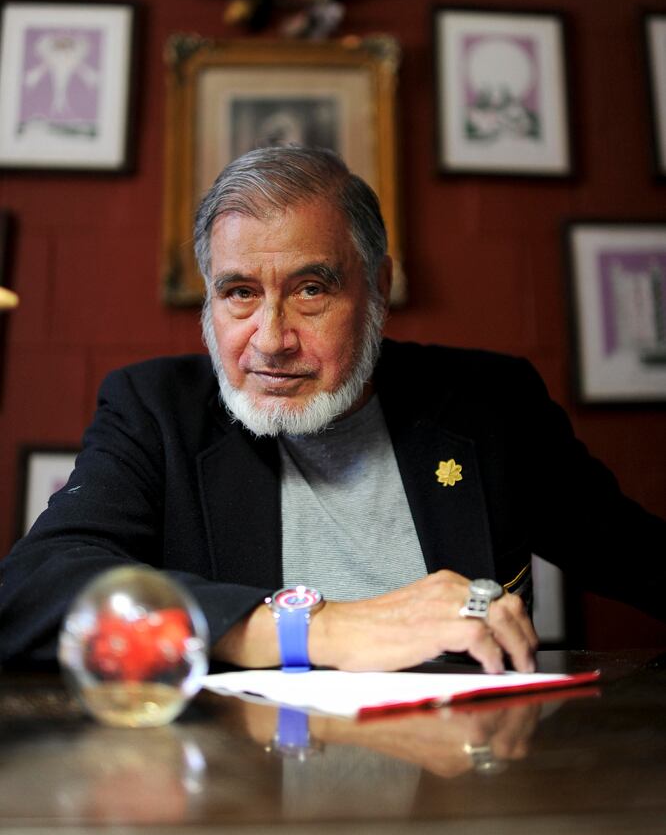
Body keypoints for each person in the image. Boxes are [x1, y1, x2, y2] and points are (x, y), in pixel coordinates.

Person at [1, 146, 664, 673]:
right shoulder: (155, 412)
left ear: (378, 287)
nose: (270, 340)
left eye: (311, 289)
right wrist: (316, 629)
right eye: (239, 293)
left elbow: (641, 559)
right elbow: (29, 592)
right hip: (237, 780)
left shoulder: (491, 404)